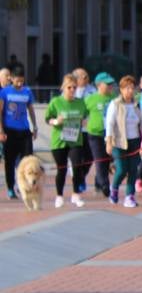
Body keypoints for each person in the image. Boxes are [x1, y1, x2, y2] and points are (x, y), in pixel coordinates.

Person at [46, 75, 88, 207]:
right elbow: (47, 118)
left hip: (75, 140)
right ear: (63, 88)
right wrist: (55, 121)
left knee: (77, 166)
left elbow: (85, 115)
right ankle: (59, 196)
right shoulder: (56, 102)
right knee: (62, 169)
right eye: (69, 87)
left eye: (74, 87)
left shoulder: (80, 102)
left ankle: (76, 194)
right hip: (59, 140)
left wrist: (85, 121)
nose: (72, 90)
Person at [105, 76, 142, 207]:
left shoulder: (137, 104)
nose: (130, 91)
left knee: (133, 169)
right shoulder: (115, 104)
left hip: (135, 141)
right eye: (127, 88)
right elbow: (109, 123)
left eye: (132, 88)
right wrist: (109, 141)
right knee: (121, 169)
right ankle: (114, 188)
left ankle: (130, 196)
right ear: (121, 89)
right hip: (119, 142)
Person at [1, 65, 38, 199]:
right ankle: (11, 187)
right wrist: (1, 131)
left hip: (24, 130)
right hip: (10, 131)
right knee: (10, 161)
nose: (19, 83)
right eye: (17, 81)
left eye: (22, 81)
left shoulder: (27, 91)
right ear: (11, 78)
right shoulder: (4, 92)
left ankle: (25, 185)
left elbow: (31, 109)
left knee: (28, 160)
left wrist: (35, 126)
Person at [84, 73, 117, 199]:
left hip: (110, 134)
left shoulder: (114, 98)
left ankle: (99, 183)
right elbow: (83, 112)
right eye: (107, 84)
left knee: (108, 159)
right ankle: (104, 185)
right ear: (99, 85)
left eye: (111, 84)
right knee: (99, 159)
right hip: (95, 134)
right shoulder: (90, 99)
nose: (110, 86)